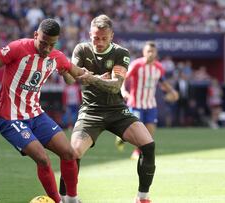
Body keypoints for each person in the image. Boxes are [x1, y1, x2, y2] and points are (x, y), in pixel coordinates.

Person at [0, 19, 85, 203]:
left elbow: (76, 72)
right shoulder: (17, 48)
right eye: (43, 43)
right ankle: (57, 201)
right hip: (10, 118)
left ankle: (72, 199)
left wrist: (99, 78)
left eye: (51, 45)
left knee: (69, 153)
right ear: (36, 35)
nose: (46, 48)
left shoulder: (57, 56)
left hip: (36, 115)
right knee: (43, 159)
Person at [58, 14, 156, 203]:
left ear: (111, 36)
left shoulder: (121, 53)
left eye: (104, 38)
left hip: (117, 111)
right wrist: (65, 72)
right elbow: (71, 79)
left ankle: (142, 197)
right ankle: (67, 199)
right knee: (72, 153)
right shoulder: (81, 49)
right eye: (96, 38)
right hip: (90, 112)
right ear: (90, 34)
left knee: (148, 145)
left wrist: (91, 77)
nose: (99, 42)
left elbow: (115, 86)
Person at [118, 41, 179, 160]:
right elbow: (124, 78)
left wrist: (172, 91)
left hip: (151, 104)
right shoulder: (136, 65)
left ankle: (137, 151)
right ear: (144, 52)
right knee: (136, 132)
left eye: (152, 51)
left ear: (156, 53)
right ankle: (123, 137)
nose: (150, 53)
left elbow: (163, 82)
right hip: (136, 103)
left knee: (149, 132)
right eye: (148, 51)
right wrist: (123, 91)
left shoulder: (159, 67)